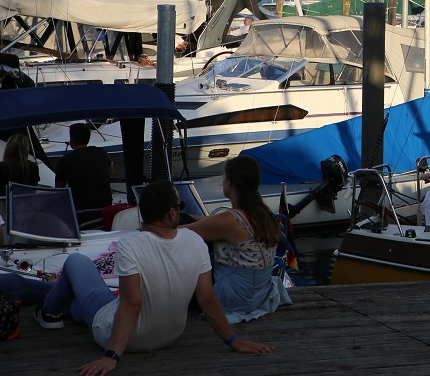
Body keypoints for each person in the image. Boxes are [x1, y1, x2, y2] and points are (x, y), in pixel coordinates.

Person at [34, 180, 273, 373]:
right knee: (84, 305)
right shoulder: (195, 241)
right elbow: (207, 299)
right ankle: (65, 309)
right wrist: (234, 341)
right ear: (171, 213)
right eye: (180, 207)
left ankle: (49, 313)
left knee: (77, 262)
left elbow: (131, 304)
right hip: (170, 336)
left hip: (120, 338)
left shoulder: (129, 244)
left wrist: (111, 356)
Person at [184, 156, 291, 323]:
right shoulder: (263, 212)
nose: (222, 181)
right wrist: (184, 216)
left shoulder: (231, 220)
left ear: (232, 183)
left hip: (233, 298)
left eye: (225, 177)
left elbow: (181, 232)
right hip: (257, 295)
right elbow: (207, 223)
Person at [55, 124, 113, 214]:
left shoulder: (65, 160)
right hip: (106, 209)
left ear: (72, 139)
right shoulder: (101, 153)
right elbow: (111, 172)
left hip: (81, 212)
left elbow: (59, 190)